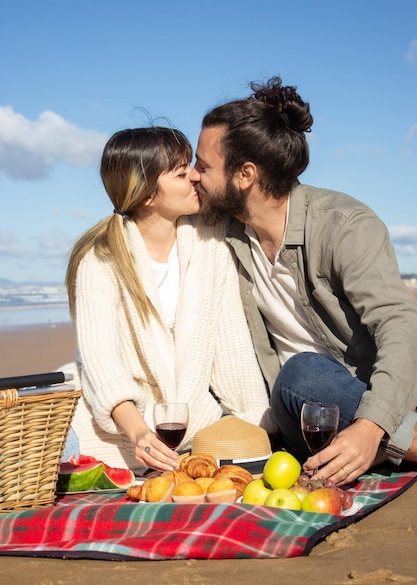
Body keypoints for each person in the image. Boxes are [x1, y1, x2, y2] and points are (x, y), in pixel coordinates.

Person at [190, 76, 417, 486]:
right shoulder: (226, 232)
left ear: (245, 174)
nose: (192, 176)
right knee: (291, 385)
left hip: (366, 396)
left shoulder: (343, 226)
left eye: (202, 166)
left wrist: (370, 426)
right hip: (296, 413)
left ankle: (395, 441)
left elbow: (401, 326)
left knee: (304, 373)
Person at [64, 126, 273, 475]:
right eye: (180, 172)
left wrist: (258, 423)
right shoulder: (100, 260)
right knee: (52, 448)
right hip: (119, 418)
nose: (195, 176)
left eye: (191, 166)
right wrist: (140, 433)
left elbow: (230, 344)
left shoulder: (210, 244)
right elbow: (102, 362)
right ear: (147, 195)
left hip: (191, 417)